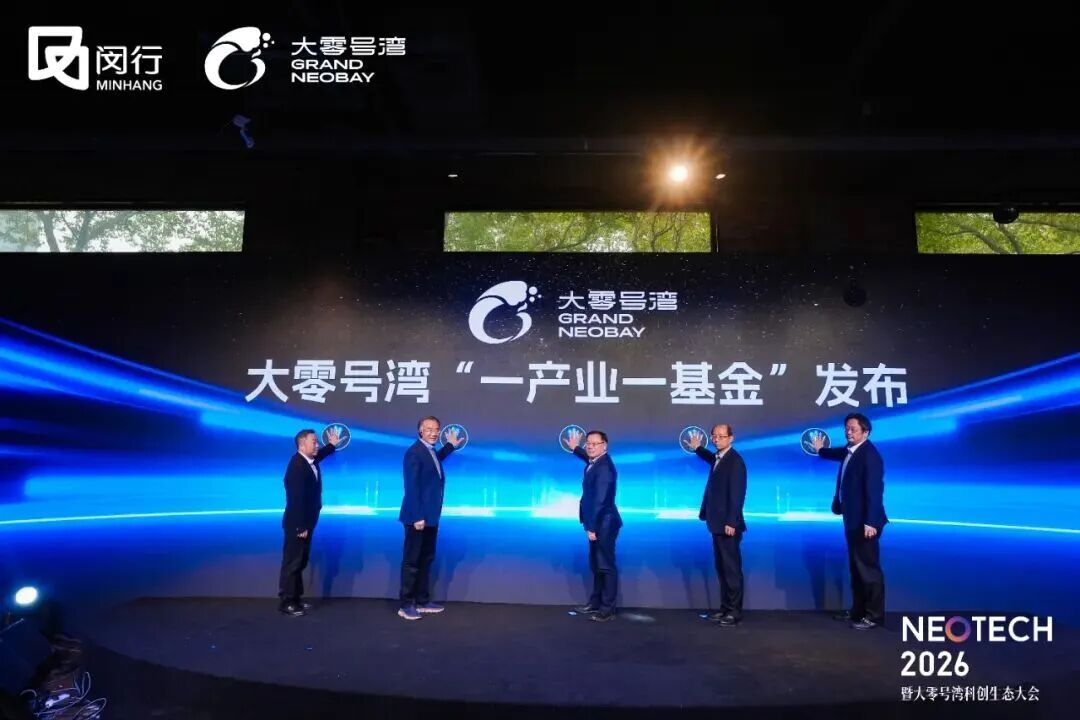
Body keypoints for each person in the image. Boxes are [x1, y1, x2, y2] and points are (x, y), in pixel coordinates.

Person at [812, 413, 887, 630]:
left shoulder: (870, 455)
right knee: (857, 568)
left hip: (866, 523)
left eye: (853, 429)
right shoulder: (850, 450)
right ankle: (858, 611)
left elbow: (875, 491)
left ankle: (874, 616)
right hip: (853, 520)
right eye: (846, 428)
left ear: (866, 432)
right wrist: (820, 450)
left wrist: (871, 522)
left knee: (869, 570)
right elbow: (836, 453)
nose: (848, 432)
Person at [398, 416, 462, 620]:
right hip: (417, 518)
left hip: (431, 517)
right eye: (429, 429)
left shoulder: (430, 451)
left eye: (436, 429)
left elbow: (434, 464)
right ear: (420, 431)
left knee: (426, 559)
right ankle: (406, 605)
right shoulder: (414, 452)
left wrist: (449, 446)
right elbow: (411, 487)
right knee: (412, 562)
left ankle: (422, 601)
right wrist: (418, 516)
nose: (433, 433)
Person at [687, 424, 747, 626]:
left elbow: (738, 494)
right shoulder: (719, 458)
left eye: (721, 436)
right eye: (714, 436)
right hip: (717, 523)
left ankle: (734, 612)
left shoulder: (735, 461)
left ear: (731, 438)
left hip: (728, 525)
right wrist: (698, 448)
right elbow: (710, 457)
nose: (717, 439)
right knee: (722, 569)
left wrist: (731, 521)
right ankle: (725, 608)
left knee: (731, 570)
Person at [278, 426, 340, 616]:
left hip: (306, 523)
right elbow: (295, 499)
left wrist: (331, 445)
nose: (317, 444)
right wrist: (300, 526)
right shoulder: (296, 466)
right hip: (298, 524)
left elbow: (320, 455)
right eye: (314, 441)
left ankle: (296, 598)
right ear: (301, 445)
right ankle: (287, 601)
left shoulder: (308, 460)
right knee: (292, 563)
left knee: (300, 561)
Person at [567, 429, 622, 622]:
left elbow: (601, 501)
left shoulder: (605, 468)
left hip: (603, 524)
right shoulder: (596, 462)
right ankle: (595, 603)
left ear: (604, 446)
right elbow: (588, 458)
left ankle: (607, 610)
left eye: (594, 444)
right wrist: (575, 448)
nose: (590, 447)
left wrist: (591, 527)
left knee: (605, 566)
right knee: (597, 565)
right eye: (588, 443)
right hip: (598, 522)